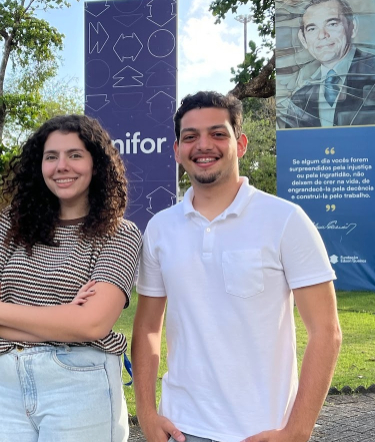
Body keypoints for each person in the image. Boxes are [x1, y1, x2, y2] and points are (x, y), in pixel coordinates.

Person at [132, 91, 342, 442]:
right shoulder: (160, 228)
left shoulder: (286, 220)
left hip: (262, 431)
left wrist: (296, 430)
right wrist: (147, 413)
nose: (203, 145)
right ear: (177, 150)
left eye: (217, 134)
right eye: (190, 137)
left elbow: (326, 330)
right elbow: (148, 329)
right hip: (182, 430)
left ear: (240, 144)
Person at [0, 114, 142, 442]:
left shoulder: (120, 234)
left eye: (75, 155)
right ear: (38, 165)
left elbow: (92, 325)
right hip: (7, 383)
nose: (62, 166)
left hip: (80, 382)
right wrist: (65, 318)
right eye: (51, 156)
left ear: (96, 164)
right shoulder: (10, 225)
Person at [277, 0, 375, 128]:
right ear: (303, 39)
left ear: (353, 26)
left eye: (332, 24)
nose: (322, 35)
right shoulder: (299, 100)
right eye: (312, 28)